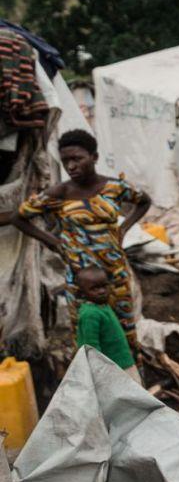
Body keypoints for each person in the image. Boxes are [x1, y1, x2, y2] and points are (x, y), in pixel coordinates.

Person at [12, 128, 150, 349]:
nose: (71, 166)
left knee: (124, 330)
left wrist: (123, 228)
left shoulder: (115, 187)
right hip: (80, 278)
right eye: (66, 160)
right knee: (88, 336)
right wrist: (53, 242)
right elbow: (19, 218)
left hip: (114, 272)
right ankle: (93, 381)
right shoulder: (59, 193)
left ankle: (129, 377)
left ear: (94, 157)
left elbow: (144, 201)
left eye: (77, 158)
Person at [74, 266, 141, 382]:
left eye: (104, 286)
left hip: (122, 364)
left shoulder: (103, 306)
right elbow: (91, 347)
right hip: (112, 371)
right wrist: (100, 374)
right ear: (82, 293)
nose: (101, 291)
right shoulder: (90, 314)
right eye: (94, 289)